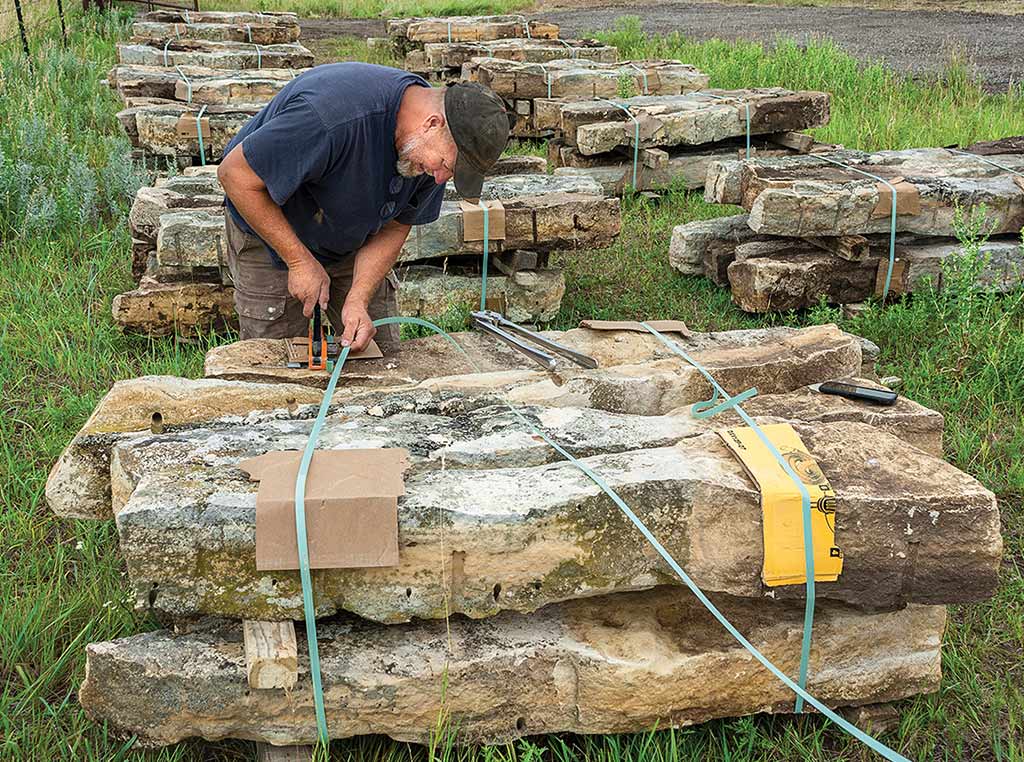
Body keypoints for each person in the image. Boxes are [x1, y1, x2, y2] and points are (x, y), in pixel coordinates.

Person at [217, 62, 512, 353]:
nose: (440, 178)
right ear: (432, 124)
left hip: (352, 237)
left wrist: (358, 298)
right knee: (277, 364)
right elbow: (236, 176)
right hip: (273, 227)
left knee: (378, 354)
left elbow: (398, 224)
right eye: (447, 165)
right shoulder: (332, 117)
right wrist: (298, 262)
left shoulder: (426, 156)